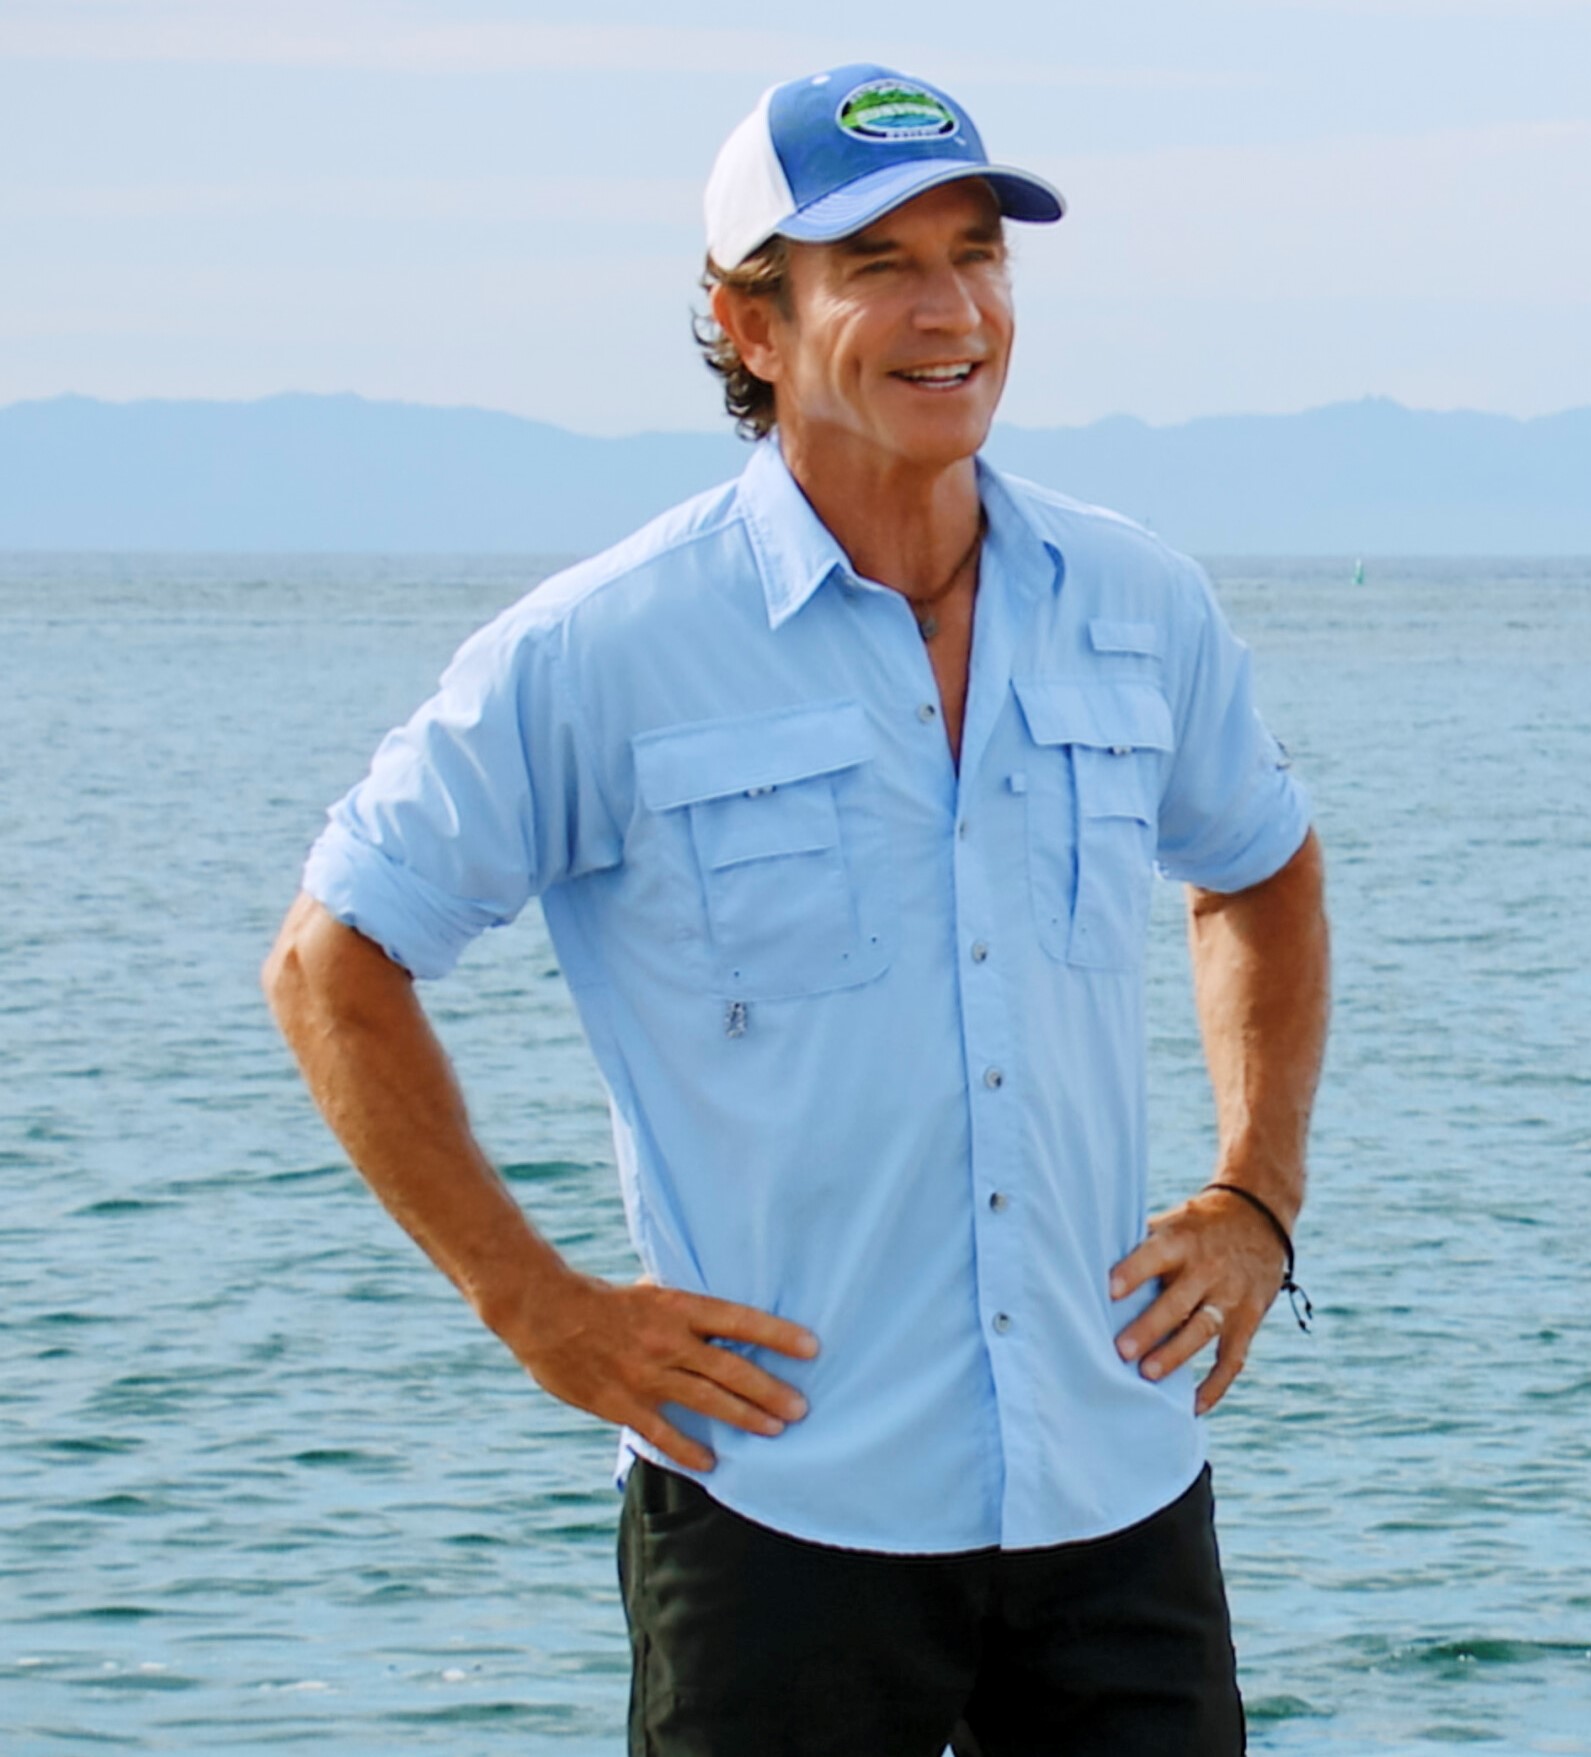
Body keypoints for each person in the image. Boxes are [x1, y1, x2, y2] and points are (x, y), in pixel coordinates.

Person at [262, 62, 1328, 1756]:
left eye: (976, 255)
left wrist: (1255, 1193)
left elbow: (1258, 865)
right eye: (878, 267)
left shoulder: (1138, 603)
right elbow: (334, 961)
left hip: (1114, 1489)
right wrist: (532, 1302)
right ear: (748, 324)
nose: (950, 310)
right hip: (778, 1510)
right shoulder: (607, 647)